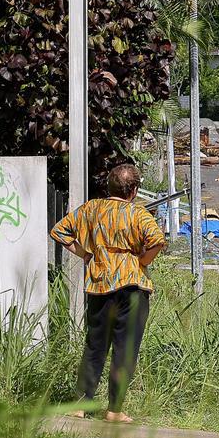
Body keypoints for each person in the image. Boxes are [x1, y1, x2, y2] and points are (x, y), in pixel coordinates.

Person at [50, 163, 166, 423]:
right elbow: (157, 241)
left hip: (100, 285)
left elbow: (59, 231)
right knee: (125, 349)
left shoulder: (91, 209)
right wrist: (142, 261)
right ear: (134, 191)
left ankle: (80, 405)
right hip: (132, 287)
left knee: (95, 346)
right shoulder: (138, 214)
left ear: (108, 187)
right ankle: (114, 410)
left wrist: (85, 253)